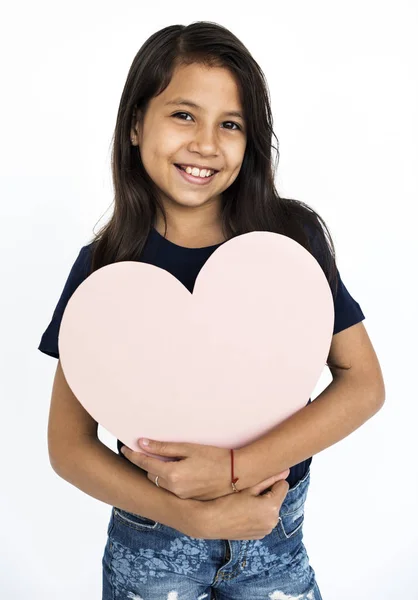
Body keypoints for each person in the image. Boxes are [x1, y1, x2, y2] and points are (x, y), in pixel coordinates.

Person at [38, 21, 385, 600]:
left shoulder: (289, 243)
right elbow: (68, 446)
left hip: (273, 539)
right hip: (152, 546)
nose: (205, 143)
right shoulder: (105, 267)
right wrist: (191, 515)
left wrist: (232, 471)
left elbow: (364, 385)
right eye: (183, 115)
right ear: (133, 125)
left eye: (230, 124)